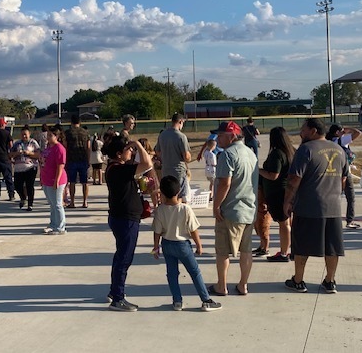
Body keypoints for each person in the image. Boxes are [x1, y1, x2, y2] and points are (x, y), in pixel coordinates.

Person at [284, 118, 348, 294]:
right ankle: (330, 281)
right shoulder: (339, 150)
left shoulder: (305, 150)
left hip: (308, 207)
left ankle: (298, 281)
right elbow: (343, 178)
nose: (300, 133)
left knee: (301, 245)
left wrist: (287, 201)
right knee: (333, 247)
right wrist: (335, 194)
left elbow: (294, 179)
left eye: (303, 129)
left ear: (313, 131)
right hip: (333, 207)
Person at [152, 175, 221, 312]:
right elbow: (193, 229)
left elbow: (157, 231)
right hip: (183, 245)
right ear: (179, 192)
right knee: (194, 272)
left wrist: (156, 247)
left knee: (172, 274)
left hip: (167, 244)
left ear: (163, 193)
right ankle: (205, 300)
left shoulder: (160, 210)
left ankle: (177, 301)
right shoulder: (185, 209)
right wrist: (199, 245)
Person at [209, 121, 258, 297]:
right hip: (248, 209)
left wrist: (216, 206)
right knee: (246, 250)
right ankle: (243, 284)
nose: (217, 138)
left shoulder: (227, 155)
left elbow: (225, 183)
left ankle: (221, 285)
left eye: (221, 135)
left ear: (232, 136)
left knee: (222, 251)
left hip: (230, 210)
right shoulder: (251, 154)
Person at [103, 135, 152, 311]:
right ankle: (118, 298)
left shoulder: (119, 168)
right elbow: (148, 164)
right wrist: (139, 145)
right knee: (124, 258)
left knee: (120, 257)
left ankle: (114, 291)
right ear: (118, 153)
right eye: (128, 149)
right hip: (125, 219)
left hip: (123, 217)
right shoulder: (117, 169)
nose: (131, 151)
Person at [257, 127, 295, 261]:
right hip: (289, 190)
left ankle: (284, 253)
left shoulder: (277, 154)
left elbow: (273, 175)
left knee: (283, 223)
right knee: (288, 222)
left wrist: (258, 170)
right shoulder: (291, 151)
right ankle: (291, 249)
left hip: (278, 192)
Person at [325, 124, 362, 229]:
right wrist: (349, 129)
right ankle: (350, 220)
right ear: (337, 132)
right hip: (344, 172)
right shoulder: (342, 140)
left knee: (331, 196)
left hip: (331, 171)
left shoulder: (328, 142)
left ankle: (328, 219)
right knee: (350, 197)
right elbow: (358, 133)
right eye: (341, 131)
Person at [155, 113, 192, 202]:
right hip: (178, 170)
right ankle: (177, 214)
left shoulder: (162, 134)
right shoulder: (181, 136)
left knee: (167, 194)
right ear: (180, 121)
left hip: (166, 169)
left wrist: (165, 157)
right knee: (179, 195)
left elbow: (157, 151)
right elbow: (186, 156)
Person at [40, 125, 67, 234]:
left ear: (56, 137)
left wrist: (56, 181)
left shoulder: (59, 149)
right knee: (52, 204)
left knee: (57, 204)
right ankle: (53, 224)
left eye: (51, 135)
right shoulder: (48, 147)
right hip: (46, 179)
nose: (48, 137)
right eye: (48, 135)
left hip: (56, 180)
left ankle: (61, 227)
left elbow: (60, 166)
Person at [64, 114, 90, 208]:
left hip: (71, 159)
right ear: (80, 122)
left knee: (72, 182)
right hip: (83, 159)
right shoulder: (85, 132)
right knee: (85, 182)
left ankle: (72, 202)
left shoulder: (67, 133)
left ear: (71, 122)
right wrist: (88, 159)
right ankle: (85, 201)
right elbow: (88, 147)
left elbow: (65, 146)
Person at [12, 126, 40, 211]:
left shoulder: (33, 143)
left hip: (30, 167)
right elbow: (10, 154)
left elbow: (38, 155)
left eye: (25, 134)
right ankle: (23, 197)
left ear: (29, 134)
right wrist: (17, 153)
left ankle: (30, 204)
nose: (24, 136)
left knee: (29, 186)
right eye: (22, 135)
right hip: (18, 168)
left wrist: (29, 153)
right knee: (17, 185)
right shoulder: (17, 143)